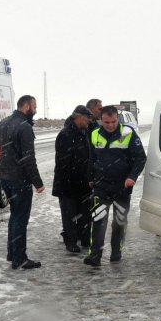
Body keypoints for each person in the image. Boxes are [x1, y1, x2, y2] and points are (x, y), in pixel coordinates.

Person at [84, 106, 147, 267]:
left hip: (122, 187)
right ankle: (94, 256)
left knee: (119, 221)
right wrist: (90, 177)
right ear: (101, 120)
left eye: (113, 122)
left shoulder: (128, 134)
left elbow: (141, 158)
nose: (110, 125)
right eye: (106, 122)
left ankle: (116, 251)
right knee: (98, 220)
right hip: (101, 186)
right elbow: (91, 158)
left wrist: (132, 177)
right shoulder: (94, 134)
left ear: (117, 119)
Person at [0, 95, 45, 270]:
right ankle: (19, 258)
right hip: (19, 180)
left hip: (5, 177)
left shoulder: (3, 123)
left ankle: (13, 253)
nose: (36, 110)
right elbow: (28, 159)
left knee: (14, 215)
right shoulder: (24, 127)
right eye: (34, 106)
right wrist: (38, 183)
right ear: (26, 106)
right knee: (20, 219)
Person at [52, 105, 94, 254]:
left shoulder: (85, 132)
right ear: (79, 117)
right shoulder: (65, 134)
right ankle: (70, 241)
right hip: (67, 183)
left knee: (85, 214)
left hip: (84, 183)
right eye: (87, 118)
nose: (89, 121)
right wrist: (70, 182)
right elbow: (64, 163)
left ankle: (84, 238)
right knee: (69, 215)